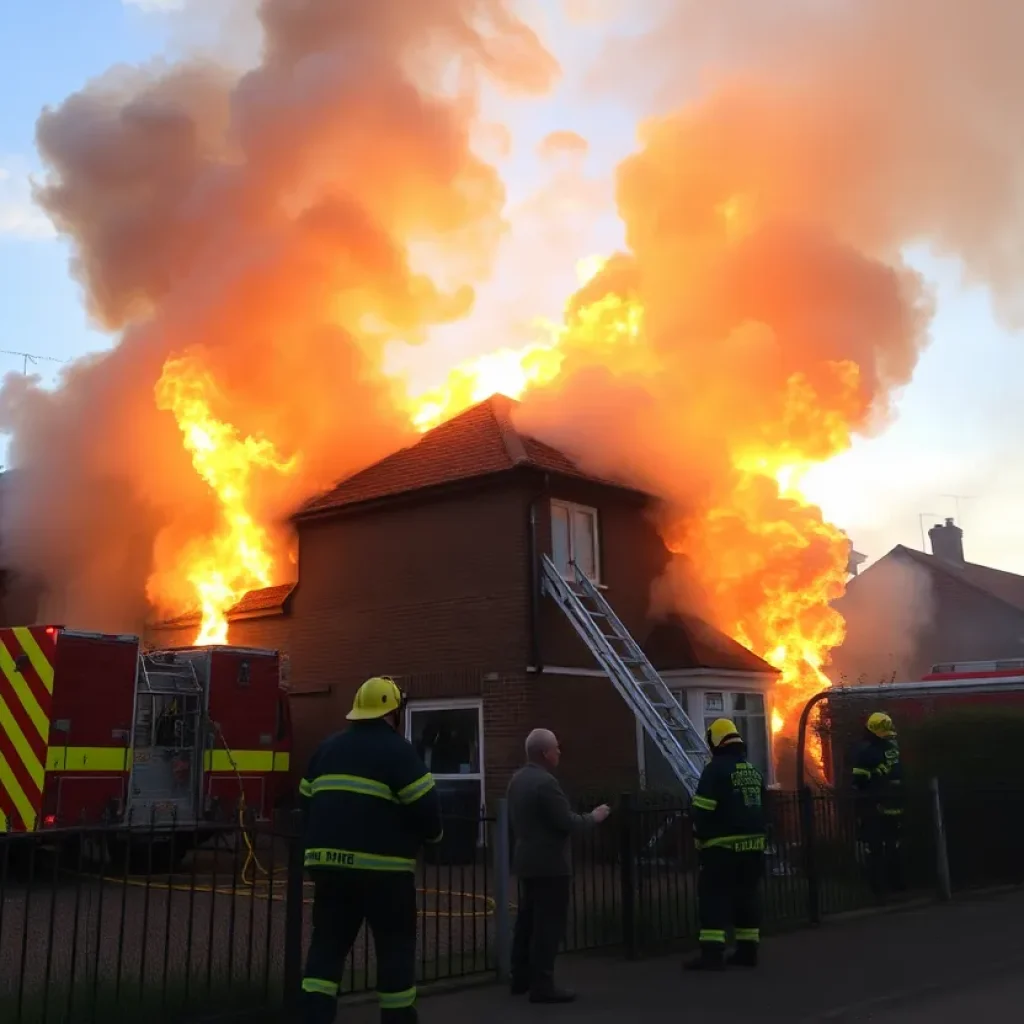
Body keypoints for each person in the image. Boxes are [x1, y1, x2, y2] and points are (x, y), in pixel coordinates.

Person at [298, 676, 443, 1024]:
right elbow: (427, 809)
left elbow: (305, 801)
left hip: (328, 870)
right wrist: (434, 840)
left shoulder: (327, 748)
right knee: (395, 950)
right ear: (392, 713)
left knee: (326, 951)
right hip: (385, 877)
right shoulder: (398, 751)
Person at [506, 728, 611, 1003]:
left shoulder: (517, 780)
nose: (560, 752)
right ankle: (543, 984)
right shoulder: (546, 783)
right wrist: (594, 817)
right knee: (548, 926)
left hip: (526, 860)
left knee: (527, 920)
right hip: (551, 864)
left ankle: (520, 978)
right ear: (545, 753)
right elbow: (566, 822)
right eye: (556, 748)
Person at [686, 718, 767, 971]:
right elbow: (764, 806)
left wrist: (699, 835)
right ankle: (747, 951)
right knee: (747, 898)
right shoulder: (751, 769)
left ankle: (712, 955)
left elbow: (702, 809)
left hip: (722, 849)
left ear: (715, 741)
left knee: (713, 899)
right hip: (754, 848)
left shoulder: (715, 770)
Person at [852, 710, 905, 899]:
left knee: (874, 849)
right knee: (894, 846)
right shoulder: (894, 748)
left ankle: (878, 890)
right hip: (895, 806)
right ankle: (897, 886)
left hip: (874, 808)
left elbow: (858, 780)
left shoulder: (867, 752)